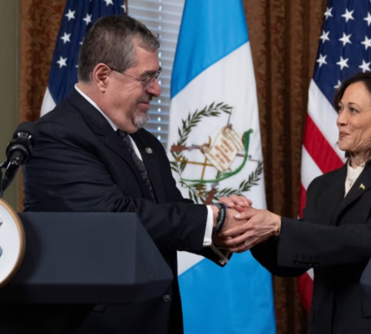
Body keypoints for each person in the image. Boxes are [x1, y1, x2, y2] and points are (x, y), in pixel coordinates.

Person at [22, 15, 242, 334]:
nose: (156, 89)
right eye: (146, 77)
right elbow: (116, 217)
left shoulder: (145, 141)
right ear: (102, 76)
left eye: (157, 76)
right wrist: (215, 219)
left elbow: (171, 211)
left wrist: (232, 228)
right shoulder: (56, 136)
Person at [220, 73, 371, 334]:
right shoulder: (322, 186)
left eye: (352, 110)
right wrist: (254, 229)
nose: (340, 119)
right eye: (341, 108)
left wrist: (278, 225)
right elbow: (293, 261)